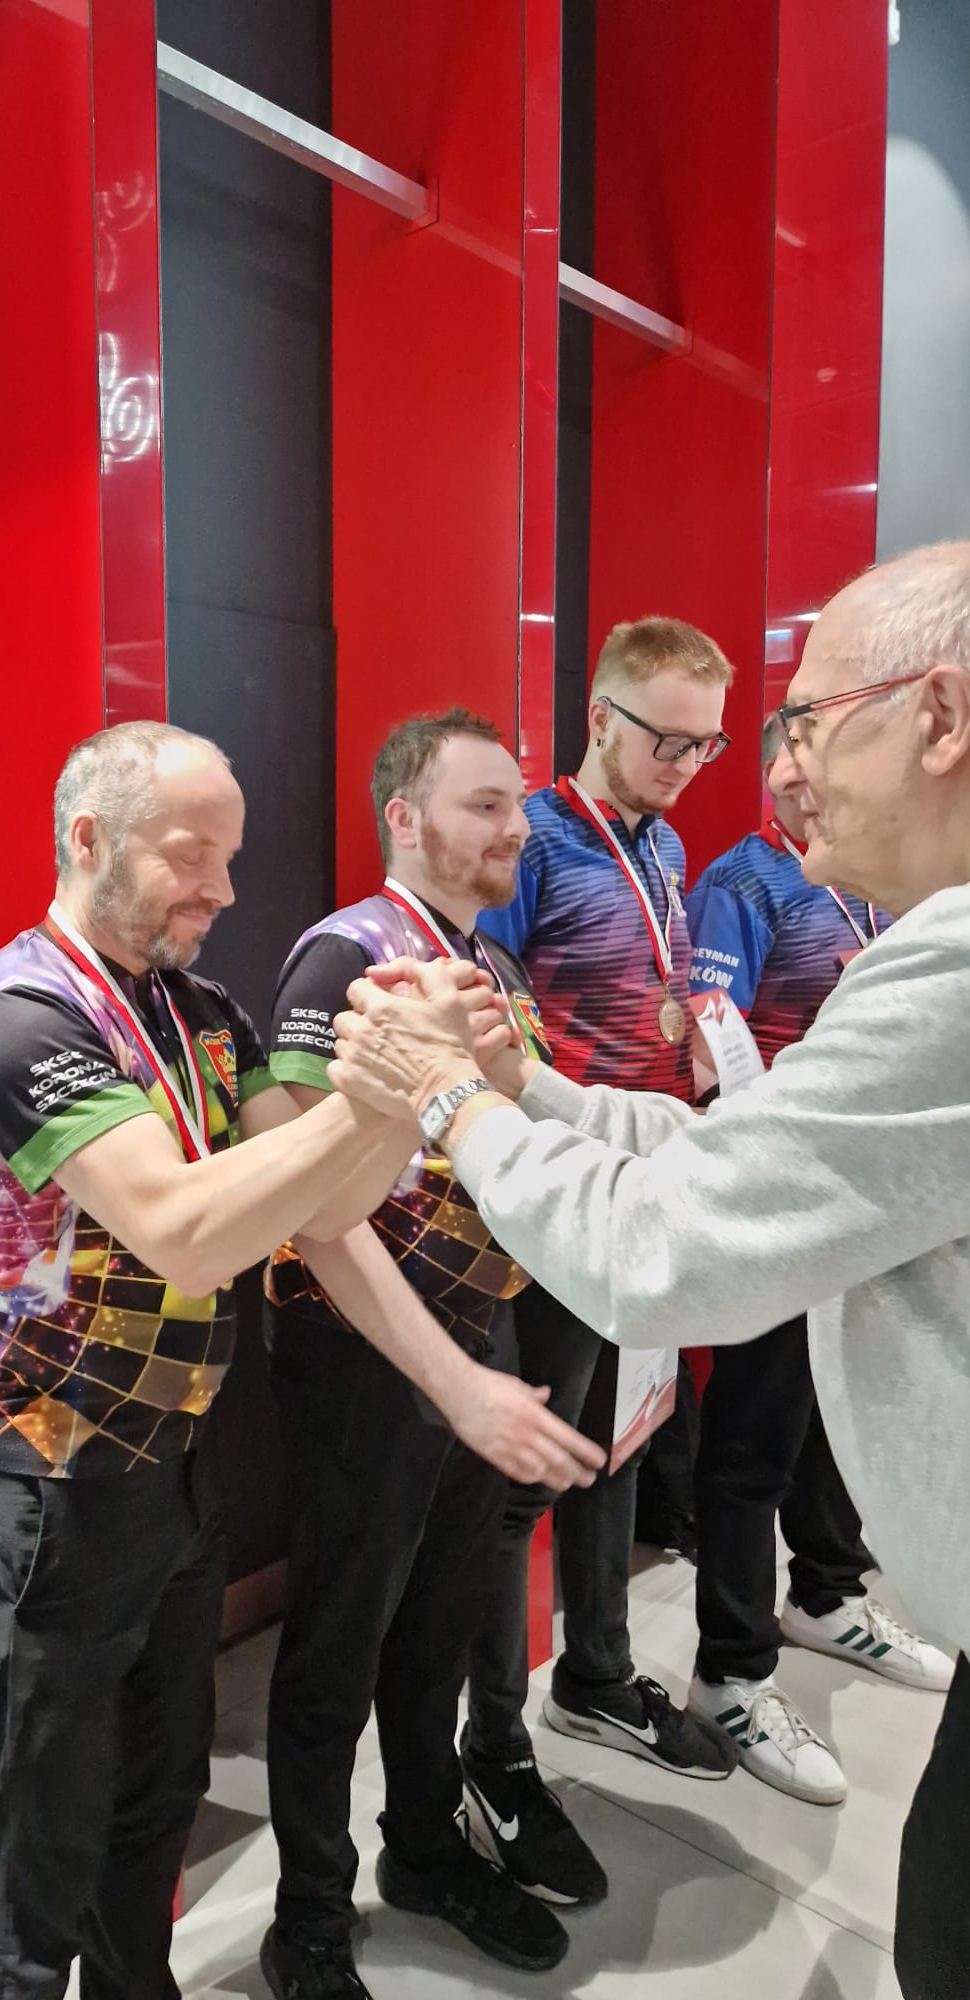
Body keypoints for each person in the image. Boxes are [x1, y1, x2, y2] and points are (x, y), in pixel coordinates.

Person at [325, 540, 970, 2000]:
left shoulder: (931, 958)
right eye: (479, 804)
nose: (778, 772)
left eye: (799, 725)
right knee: (469, 1552)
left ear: (937, 719)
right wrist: (514, 1091)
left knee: (586, 1489)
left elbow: (676, 1233)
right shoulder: (363, 948)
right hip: (513, 1248)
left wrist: (459, 1096)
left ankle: (566, 1708)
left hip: (588, 1225)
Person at [0, 720, 598, 2000]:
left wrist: (411, 1103)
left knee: (157, 1796)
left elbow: (327, 1209)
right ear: (89, 838)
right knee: (43, 1842)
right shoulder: (17, 1013)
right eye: (194, 855)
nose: (224, 890)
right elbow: (184, 1228)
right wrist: (385, 1089)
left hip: (173, 1463)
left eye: (230, 859)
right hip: (45, 1477)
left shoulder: (200, 1010)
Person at [261, 710, 603, 1997]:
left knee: (444, 1619)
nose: (516, 828)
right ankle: (308, 1910)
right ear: (403, 816)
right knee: (341, 1638)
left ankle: (423, 1844)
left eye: (517, 804)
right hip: (367, 1354)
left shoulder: (487, 963)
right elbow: (308, 1191)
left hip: (483, 1331)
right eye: (485, 804)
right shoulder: (346, 955)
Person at [465, 617, 737, 1907]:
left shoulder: (667, 845)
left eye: (706, 743)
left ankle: (596, 1671)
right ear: (599, 715)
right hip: (549, 1202)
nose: (685, 763)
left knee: (624, 1440)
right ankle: (492, 1741)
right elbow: (489, 1025)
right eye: (666, 737)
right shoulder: (528, 839)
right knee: (523, 1478)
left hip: (651, 1185)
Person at [684, 718, 952, 1803]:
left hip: (868, 1209)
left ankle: (829, 1594)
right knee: (751, 1442)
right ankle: (731, 1671)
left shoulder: (878, 883)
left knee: (835, 1414)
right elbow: (712, 1044)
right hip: (784, 1198)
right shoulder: (742, 884)